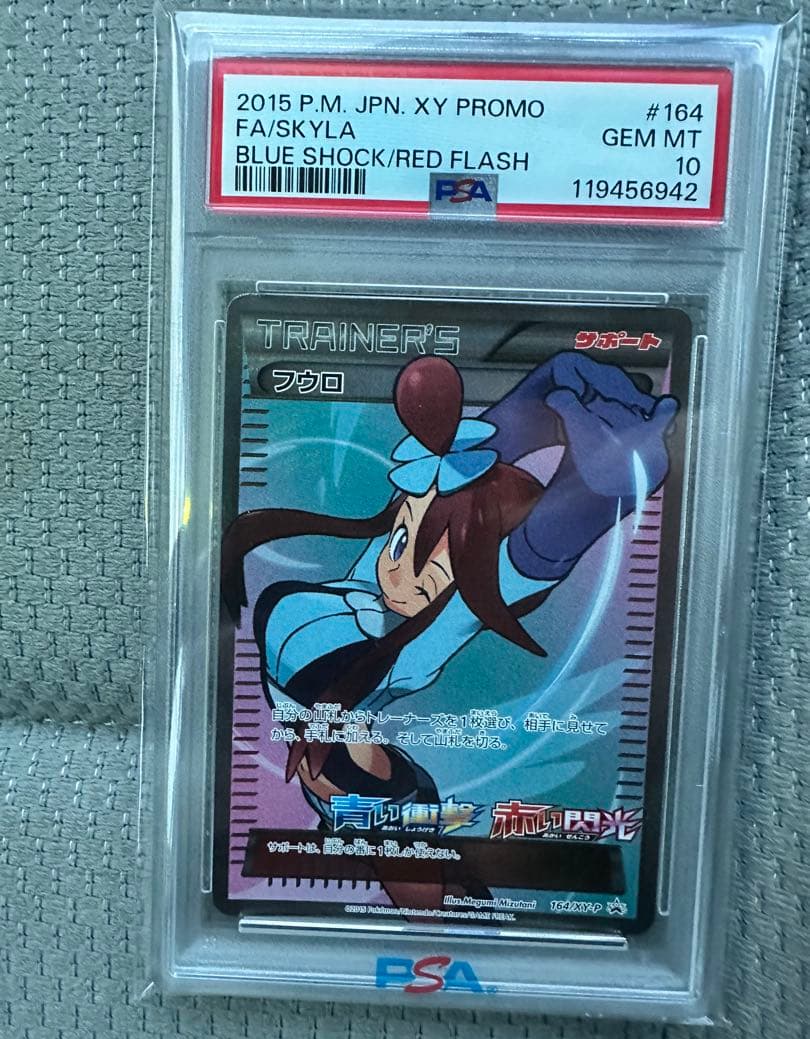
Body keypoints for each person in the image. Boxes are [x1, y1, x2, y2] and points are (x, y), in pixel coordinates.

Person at [221, 351, 678, 869]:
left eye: (436, 571)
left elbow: (519, 546)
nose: (400, 575)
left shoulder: (416, 640)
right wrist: (546, 393)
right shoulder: (390, 581)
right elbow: (463, 483)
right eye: (402, 546)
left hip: (366, 782)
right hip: (366, 782)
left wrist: (594, 495)